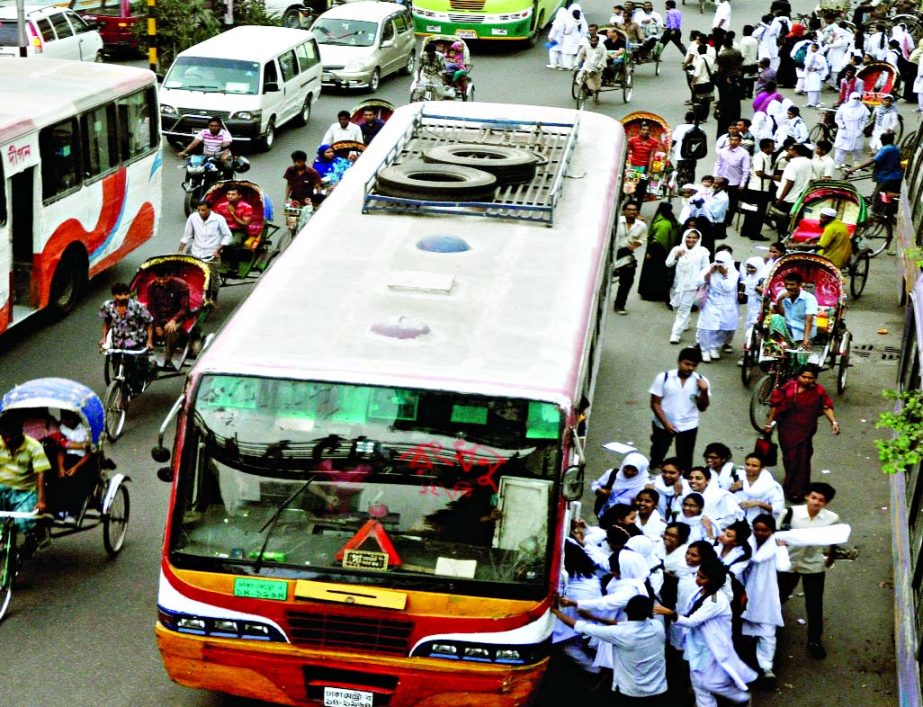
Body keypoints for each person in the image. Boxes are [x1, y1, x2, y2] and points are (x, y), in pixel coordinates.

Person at [654, 559, 757, 706]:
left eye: (702, 577)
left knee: (709, 683)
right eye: (698, 575)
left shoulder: (716, 600)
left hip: (711, 647)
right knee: (698, 684)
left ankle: (741, 697)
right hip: (698, 644)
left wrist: (671, 614)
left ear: (713, 580)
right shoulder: (701, 591)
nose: (697, 579)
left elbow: (692, 621)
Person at [552, 595, 668, 702]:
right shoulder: (657, 626)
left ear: (626, 611)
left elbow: (581, 626)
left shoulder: (620, 633)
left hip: (632, 692)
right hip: (659, 688)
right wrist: (594, 617)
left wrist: (556, 611)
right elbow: (621, 624)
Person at [777, 482, 840, 658]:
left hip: (813, 565)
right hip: (788, 563)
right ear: (806, 496)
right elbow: (775, 534)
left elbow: (835, 537)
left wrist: (830, 556)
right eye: (813, 497)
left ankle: (814, 640)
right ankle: (768, 628)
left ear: (826, 503)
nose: (816, 502)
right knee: (778, 597)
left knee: (814, 604)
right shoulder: (789, 513)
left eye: (821, 500)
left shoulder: (832, 518)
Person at [764, 364, 839, 501]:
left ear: (815, 379)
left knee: (803, 459)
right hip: (787, 429)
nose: (806, 380)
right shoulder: (787, 388)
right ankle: (791, 483)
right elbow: (776, 406)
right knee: (790, 458)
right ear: (798, 376)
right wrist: (769, 423)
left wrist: (833, 422)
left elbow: (826, 406)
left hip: (806, 431)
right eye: (804, 377)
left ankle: (797, 489)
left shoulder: (819, 391)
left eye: (810, 378)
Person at [741, 513, 790, 687]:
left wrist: (782, 548)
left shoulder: (776, 545)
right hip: (746, 589)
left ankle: (766, 666)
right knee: (743, 627)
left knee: (768, 631)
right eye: (757, 530)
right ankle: (745, 665)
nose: (760, 533)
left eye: (765, 530)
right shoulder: (748, 542)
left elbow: (784, 566)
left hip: (766, 593)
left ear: (771, 530)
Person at [649, 346, 710, 470]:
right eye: (687, 364)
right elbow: (655, 403)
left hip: (688, 425)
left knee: (685, 459)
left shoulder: (702, 381)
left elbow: (702, 408)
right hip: (662, 424)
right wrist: (666, 424)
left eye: (694, 365)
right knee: (658, 453)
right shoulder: (663, 377)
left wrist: (704, 391)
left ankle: (684, 484)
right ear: (679, 362)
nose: (690, 368)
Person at [552, 537, 603, 673]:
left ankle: (594, 670)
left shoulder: (567, 578)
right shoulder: (586, 572)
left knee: (569, 646)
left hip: (581, 619)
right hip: (590, 617)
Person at [0, 415, 50, 546]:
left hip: (24, 491)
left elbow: (40, 474)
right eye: (5, 437)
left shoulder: (34, 447)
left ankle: (35, 535)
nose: (8, 440)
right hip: (2, 487)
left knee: (23, 521)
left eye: (12, 436)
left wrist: (40, 500)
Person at [179, 201, 231, 301]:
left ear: (210, 209)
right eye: (198, 210)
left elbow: (227, 235)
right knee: (192, 276)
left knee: (213, 278)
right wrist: (180, 250)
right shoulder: (193, 218)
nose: (200, 212)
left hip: (211, 255)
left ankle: (214, 298)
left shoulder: (218, 219)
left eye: (203, 210)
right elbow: (187, 236)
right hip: (196, 253)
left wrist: (218, 250)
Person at [46, 409, 92, 524]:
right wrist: (60, 466)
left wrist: (76, 467)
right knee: (55, 479)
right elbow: (61, 449)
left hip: (81, 461)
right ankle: (54, 510)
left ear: (72, 420)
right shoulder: (61, 429)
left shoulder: (84, 431)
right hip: (65, 459)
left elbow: (89, 452)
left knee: (77, 481)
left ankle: (73, 513)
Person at [696, 250, 739, 362]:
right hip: (711, 300)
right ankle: (704, 350)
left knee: (724, 327)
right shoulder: (710, 268)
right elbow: (699, 282)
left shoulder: (733, 272)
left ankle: (714, 346)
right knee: (706, 326)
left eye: (722, 262)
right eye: (717, 261)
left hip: (727, 302)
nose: (719, 264)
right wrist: (710, 273)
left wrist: (725, 275)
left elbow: (728, 287)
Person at [147, 263, 191, 369]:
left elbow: (183, 308)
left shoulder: (181, 285)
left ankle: (168, 357)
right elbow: (152, 308)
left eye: (165, 279)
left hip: (176, 316)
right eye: (159, 279)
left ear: (171, 275)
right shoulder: (152, 286)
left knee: (170, 329)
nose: (161, 282)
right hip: (159, 316)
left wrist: (173, 320)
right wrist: (157, 325)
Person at [638, 201, 679, 302]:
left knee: (652, 273)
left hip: (656, 251)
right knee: (661, 273)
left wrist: (650, 252)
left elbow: (657, 240)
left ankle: (650, 293)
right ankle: (659, 292)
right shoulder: (671, 219)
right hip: (665, 250)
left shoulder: (661, 222)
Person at [613, 201, 648, 315]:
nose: (632, 212)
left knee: (627, 282)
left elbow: (642, 239)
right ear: (624, 211)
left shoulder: (641, 225)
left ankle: (619, 305)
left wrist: (634, 245)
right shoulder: (616, 222)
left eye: (634, 209)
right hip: (612, 254)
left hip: (626, 254)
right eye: (629, 209)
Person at [592, 451, 652, 517]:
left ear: (641, 470)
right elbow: (595, 485)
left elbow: (647, 506)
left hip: (625, 517)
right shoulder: (612, 474)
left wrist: (636, 503)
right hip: (604, 511)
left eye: (634, 470)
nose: (629, 472)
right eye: (627, 468)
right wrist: (601, 490)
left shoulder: (644, 484)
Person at [98, 281, 154, 353]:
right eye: (120, 294)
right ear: (114, 295)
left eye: (125, 294)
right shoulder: (107, 306)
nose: (123, 297)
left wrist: (149, 341)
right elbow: (107, 322)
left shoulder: (137, 306)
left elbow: (149, 323)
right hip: (117, 341)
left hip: (136, 341)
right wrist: (104, 338)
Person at [770, 270, 818, 351]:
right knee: (775, 317)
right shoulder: (782, 294)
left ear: (799, 285)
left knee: (798, 357)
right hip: (788, 331)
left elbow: (809, 321)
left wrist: (806, 339)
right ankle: (783, 343)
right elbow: (781, 314)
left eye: (792, 284)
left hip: (803, 332)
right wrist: (779, 300)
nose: (788, 287)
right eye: (786, 284)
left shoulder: (809, 298)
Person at [732, 452, 785, 524]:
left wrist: (758, 503)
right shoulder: (738, 476)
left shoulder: (769, 485)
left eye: (754, 466)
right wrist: (731, 489)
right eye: (747, 464)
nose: (749, 468)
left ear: (762, 468)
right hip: (735, 517)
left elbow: (777, 509)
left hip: (759, 522)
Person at [740, 138, 776, 242]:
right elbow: (759, 172)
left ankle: (745, 230)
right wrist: (773, 177)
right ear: (766, 147)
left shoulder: (764, 157)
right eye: (772, 146)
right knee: (758, 213)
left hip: (754, 188)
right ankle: (755, 233)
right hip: (759, 189)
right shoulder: (760, 157)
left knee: (751, 210)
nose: (773, 148)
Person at [847, 131, 903, 196]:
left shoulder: (886, 149)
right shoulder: (895, 147)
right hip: (894, 177)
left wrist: (853, 169)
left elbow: (872, 161)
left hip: (887, 178)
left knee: (876, 199)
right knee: (876, 196)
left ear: (883, 140)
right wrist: (876, 154)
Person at [688, 466, 742, 531]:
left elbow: (732, 518)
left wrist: (711, 527)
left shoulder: (720, 495)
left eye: (698, 478)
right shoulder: (687, 496)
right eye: (690, 478)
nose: (693, 481)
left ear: (708, 481)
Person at [714, 134, 750, 223]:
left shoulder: (744, 153)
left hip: (735, 181)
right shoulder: (722, 151)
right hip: (722, 180)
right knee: (717, 199)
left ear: (740, 142)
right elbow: (718, 164)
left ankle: (728, 220)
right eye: (732, 140)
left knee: (732, 203)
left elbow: (746, 170)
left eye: (736, 140)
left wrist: (742, 184)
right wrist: (715, 176)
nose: (733, 142)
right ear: (729, 140)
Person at [833, 92, 869, 167]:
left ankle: (856, 161)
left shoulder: (862, 108)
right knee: (841, 148)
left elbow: (865, 120)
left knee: (857, 149)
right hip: (845, 129)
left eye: (858, 98)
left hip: (857, 130)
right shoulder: (843, 107)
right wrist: (842, 126)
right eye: (854, 98)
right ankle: (838, 162)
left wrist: (861, 129)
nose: (856, 100)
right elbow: (838, 118)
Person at [627, 122, 660, 200]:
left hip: (645, 168)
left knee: (642, 188)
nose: (645, 131)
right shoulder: (632, 140)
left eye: (647, 130)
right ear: (640, 130)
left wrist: (649, 171)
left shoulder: (653, 142)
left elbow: (652, 156)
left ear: (650, 131)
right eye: (643, 129)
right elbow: (628, 153)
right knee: (632, 188)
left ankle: (638, 206)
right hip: (634, 167)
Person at [574, 32, 608, 104]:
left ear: (597, 41)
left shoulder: (602, 47)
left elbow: (604, 57)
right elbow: (580, 54)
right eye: (591, 41)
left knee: (597, 85)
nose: (592, 42)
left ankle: (596, 97)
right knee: (579, 78)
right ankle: (583, 90)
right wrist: (576, 64)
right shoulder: (586, 46)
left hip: (597, 68)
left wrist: (600, 65)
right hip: (587, 66)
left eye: (594, 41)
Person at [803, 43, 829, 108]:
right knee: (811, 88)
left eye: (814, 47)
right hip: (810, 74)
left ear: (817, 49)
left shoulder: (819, 56)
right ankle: (813, 102)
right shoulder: (810, 55)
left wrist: (815, 68)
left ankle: (812, 103)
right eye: (812, 47)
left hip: (815, 74)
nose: (812, 49)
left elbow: (822, 65)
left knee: (813, 89)